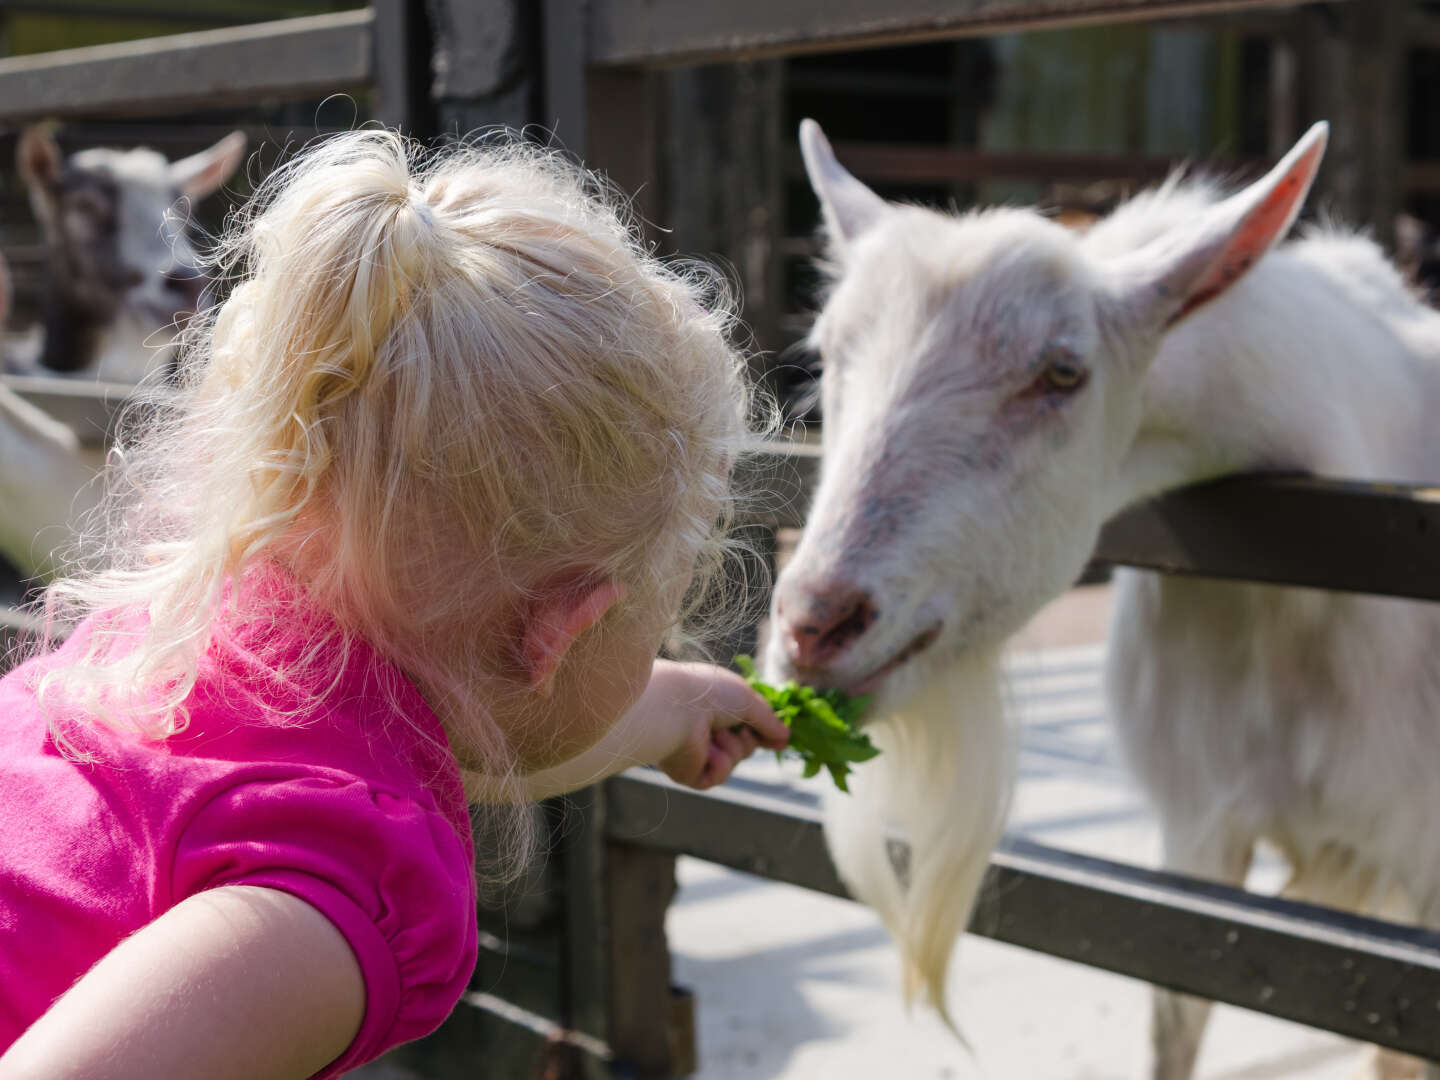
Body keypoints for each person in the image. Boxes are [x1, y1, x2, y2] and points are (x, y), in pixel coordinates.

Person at [0, 130, 786, 1079]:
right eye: (655, 617)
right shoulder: (333, 912)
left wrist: (673, 706)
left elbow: (435, 741)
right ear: (564, 634)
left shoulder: (187, 637)